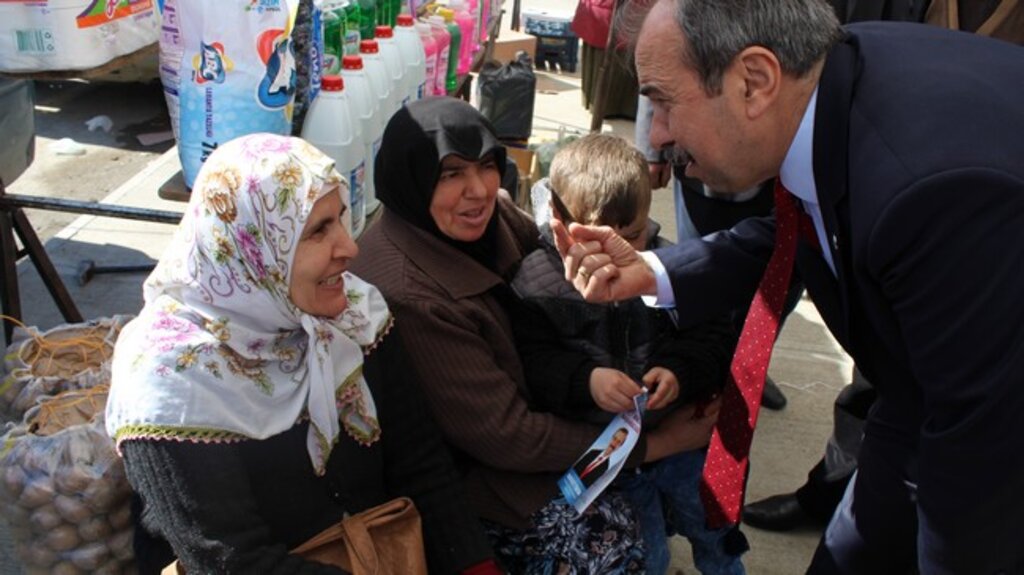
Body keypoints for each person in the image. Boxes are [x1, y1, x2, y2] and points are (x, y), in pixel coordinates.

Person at [551, 0, 1024, 573]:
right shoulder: (834, 89)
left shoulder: (934, 193)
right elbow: (799, 227)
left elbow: (979, 469)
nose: (658, 134)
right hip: (918, 404)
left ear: (754, 81)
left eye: (664, 102)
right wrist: (653, 272)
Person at [349, 97, 719, 574]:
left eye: (487, 165)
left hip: (561, 416)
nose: (478, 190)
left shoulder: (488, 219)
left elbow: (555, 255)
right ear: (412, 178)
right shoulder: (411, 294)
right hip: (477, 483)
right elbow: (510, 437)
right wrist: (650, 444)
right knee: (617, 548)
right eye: (451, 173)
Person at [105, 134, 499, 574]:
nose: (349, 248)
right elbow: (231, 561)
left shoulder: (353, 316)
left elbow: (422, 464)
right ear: (251, 252)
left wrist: (474, 565)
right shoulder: (173, 382)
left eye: (340, 219)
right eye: (317, 232)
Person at [509, 132, 745, 575]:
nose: (615, 255)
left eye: (633, 235)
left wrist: (678, 371)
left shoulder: (668, 266)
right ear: (559, 220)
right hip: (606, 457)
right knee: (647, 551)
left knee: (714, 525)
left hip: (677, 440)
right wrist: (586, 379)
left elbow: (712, 336)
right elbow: (533, 361)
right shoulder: (536, 283)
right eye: (594, 241)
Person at [636, 101, 796, 411]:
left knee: (778, 284)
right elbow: (657, 85)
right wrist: (652, 152)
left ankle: (744, 367)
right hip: (703, 186)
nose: (658, 135)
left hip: (781, 181)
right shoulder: (681, 140)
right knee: (699, 287)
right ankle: (700, 370)